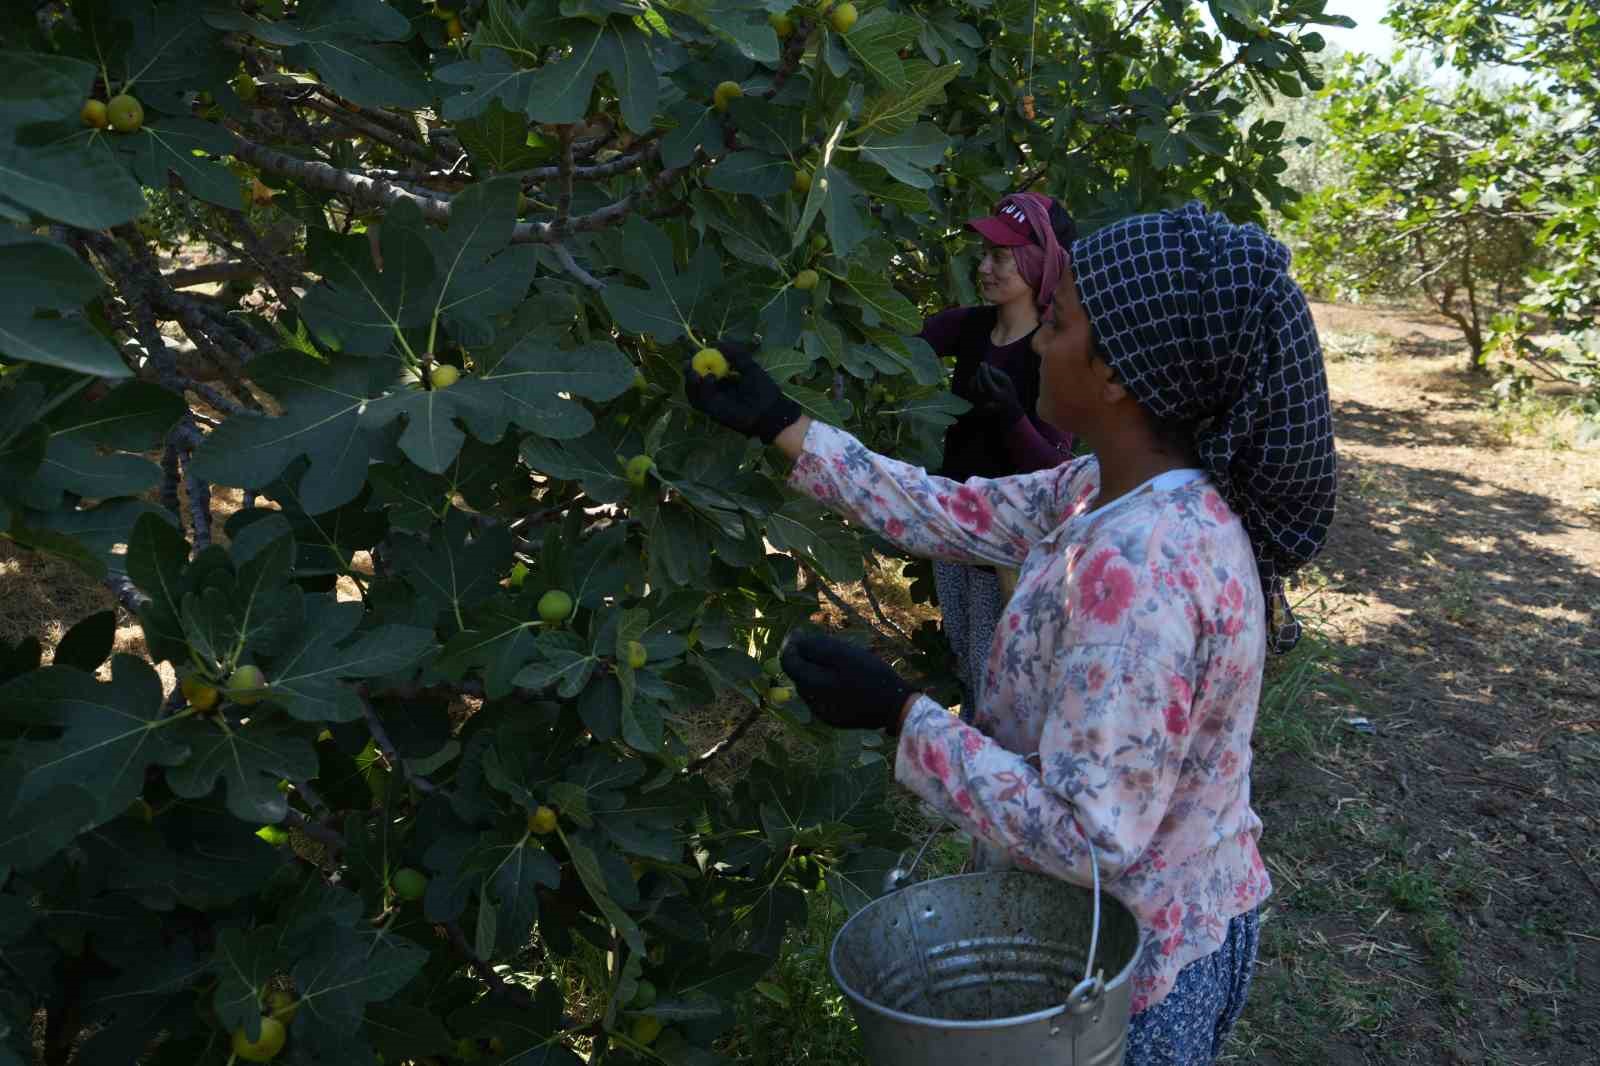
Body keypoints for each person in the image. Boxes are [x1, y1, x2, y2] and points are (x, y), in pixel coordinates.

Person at [685, 202, 1338, 1065]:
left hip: (1123, 978)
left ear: (1118, 374)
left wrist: (899, 716)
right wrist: (783, 426)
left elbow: (1089, 837)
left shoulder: (1139, 574)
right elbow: (956, 510)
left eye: (1059, 322)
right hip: (1153, 927)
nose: (1033, 341)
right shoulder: (1109, 485)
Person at [924, 192, 1078, 715]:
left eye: (1000, 258)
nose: (984, 267)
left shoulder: (1054, 352)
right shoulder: (968, 327)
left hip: (1011, 543)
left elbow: (1059, 472)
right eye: (983, 254)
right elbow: (891, 341)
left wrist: (1013, 416)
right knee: (967, 653)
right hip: (955, 523)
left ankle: (999, 766)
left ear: (1038, 264)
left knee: (1001, 663)